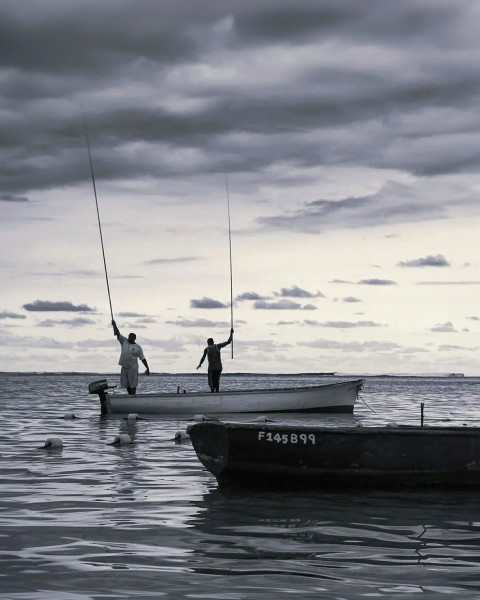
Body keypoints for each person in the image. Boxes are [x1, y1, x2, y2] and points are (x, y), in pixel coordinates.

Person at [112, 319, 150, 395]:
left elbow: (143, 358)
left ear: (134, 339)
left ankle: (133, 396)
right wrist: (114, 325)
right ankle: (130, 396)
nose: (129, 339)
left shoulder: (138, 347)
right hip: (124, 366)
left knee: (133, 384)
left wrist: (147, 368)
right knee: (126, 384)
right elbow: (117, 333)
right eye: (129, 337)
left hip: (133, 368)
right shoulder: (124, 341)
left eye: (131, 338)